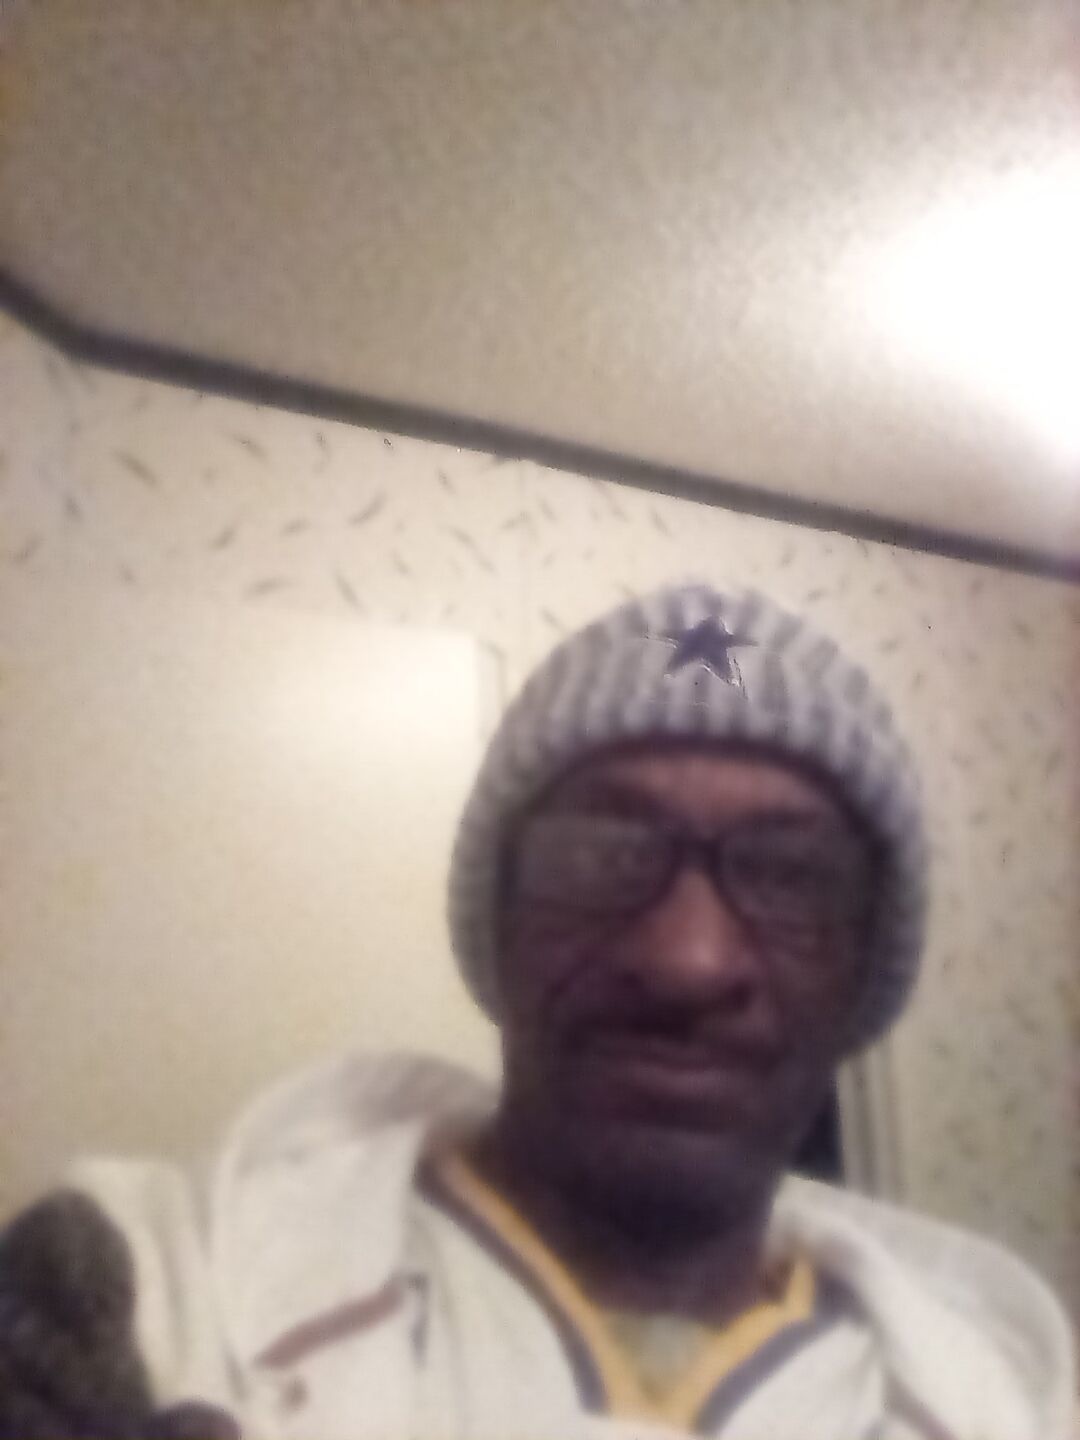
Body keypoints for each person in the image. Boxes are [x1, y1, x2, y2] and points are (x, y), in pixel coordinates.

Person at [0, 582, 1073, 1440]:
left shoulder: (1015, 1401)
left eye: (790, 875)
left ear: (867, 970)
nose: (688, 959)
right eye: (604, 854)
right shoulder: (140, 1289)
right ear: (495, 922)